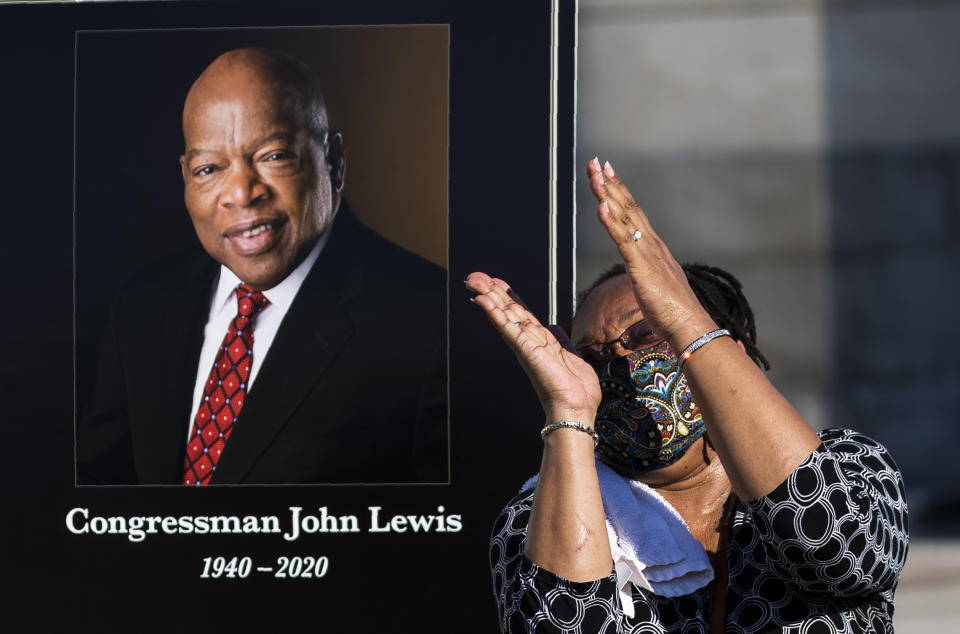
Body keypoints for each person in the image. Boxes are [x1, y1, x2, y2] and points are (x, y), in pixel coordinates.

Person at [468, 158, 907, 632]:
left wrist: (683, 318)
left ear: (728, 351)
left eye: (644, 334)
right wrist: (569, 411)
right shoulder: (537, 517)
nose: (619, 366)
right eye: (592, 357)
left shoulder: (852, 465)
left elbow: (831, 544)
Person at [78, 48, 446, 485]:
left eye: (273, 156)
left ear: (335, 161)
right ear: (185, 177)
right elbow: (101, 509)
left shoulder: (434, 322)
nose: (241, 192)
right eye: (209, 168)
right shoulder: (142, 308)